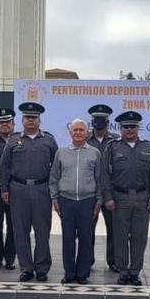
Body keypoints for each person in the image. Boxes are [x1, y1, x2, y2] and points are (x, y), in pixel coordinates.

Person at [100, 111, 150, 286]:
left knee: (139, 237)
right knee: (119, 236)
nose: (129, 130)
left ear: (138, 128)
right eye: (126, 127)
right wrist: (108, 198)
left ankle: (135, 272)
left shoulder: (148, 148)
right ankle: (123, 271)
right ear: (120, 128)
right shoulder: (112, 147)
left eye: (132, 126)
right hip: (120, 198)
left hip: (142, 198)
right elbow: (104, 175)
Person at [0, 102, 58, 282]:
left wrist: (54, 191)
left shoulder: (49, 140)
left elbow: (56, 168)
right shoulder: (13, 140)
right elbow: (4, 166)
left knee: (42, 231)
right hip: (18, 190)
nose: (30, 120)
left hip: (42, 189)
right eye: (27, 117)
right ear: (22, 120)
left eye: (34, 118)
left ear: (39, 120)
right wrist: (4, 189)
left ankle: (41, 268)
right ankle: (26, 268)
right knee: (20, 230)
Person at [50, 119, 102, 284]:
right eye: (75, 130)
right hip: (66, 201)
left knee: (86, 239)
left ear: (87, 133)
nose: (78, 132)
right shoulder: (61, 152)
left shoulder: (95, 153)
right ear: (70, 133)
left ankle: (82, 274)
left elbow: (99, 179)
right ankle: (69, 273)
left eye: (81, 130)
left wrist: (99, 200)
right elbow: (54, 178)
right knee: (68, 238)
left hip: (88, 201)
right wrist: (55, 199)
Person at [86, 104, 120, 273]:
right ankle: (87, 259)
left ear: (107, 123)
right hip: (89, 192)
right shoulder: (84, 140)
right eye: (96, 122)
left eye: (102, 122)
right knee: (87, 228)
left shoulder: (115, 140)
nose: (99, 125)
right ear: (92, 123)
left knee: (113, 228)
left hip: (110, 192)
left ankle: (113, 261)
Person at [0, 108, 17, 270]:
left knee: (14, 225)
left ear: (13, 124)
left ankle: (10, 257)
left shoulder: (20, 140)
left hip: (15, 189)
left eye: (8, 122)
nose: (5, 125)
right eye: (1, 122)